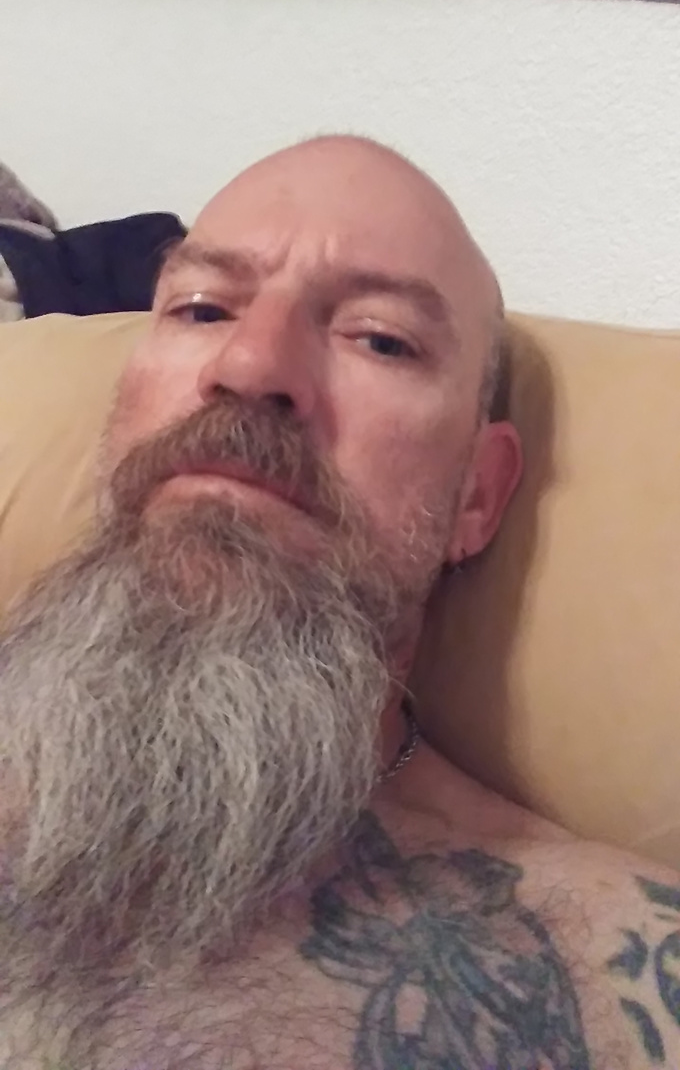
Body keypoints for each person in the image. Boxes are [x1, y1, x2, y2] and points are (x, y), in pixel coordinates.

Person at [0, 135, 677, 1070]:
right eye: (202, 308)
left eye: (380, 338)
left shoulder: (614, 976)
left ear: (476, 496)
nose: (250, 364)